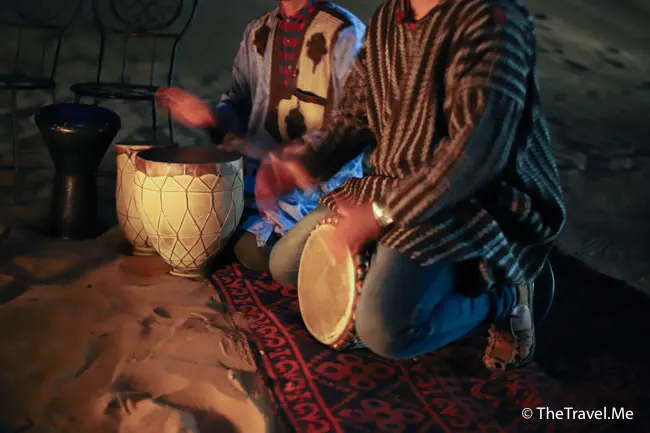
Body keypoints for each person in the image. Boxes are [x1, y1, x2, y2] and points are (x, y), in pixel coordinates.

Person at [256, 0, 567, 370]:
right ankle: (437, 273)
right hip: (393, 183)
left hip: (475, 199)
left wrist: (378, 215)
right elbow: (357, 114)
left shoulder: (493, 21)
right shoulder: (391, 14)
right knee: (286, 265)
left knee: (385, 331)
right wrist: (306, 162)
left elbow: (474, 155)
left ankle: (509, 294)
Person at [157, 0, 366, 272]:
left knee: (252, 250)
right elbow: (238, 104)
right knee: (188, 224)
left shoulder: (345, 33)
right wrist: (210, 116)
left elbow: (354, 125)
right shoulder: (259, 30)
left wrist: (298, 162)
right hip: (257, 182)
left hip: (317, 188)